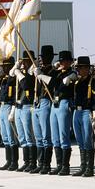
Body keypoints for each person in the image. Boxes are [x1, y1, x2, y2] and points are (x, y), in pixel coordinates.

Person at [71, 56, 95, 177]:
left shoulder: (93, 83)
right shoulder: (77, 82)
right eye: (77, 68)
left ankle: (89, 168)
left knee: (87, 140)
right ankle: (82, 166)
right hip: (76, 112)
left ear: (87, 68)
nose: (78, 70)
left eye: (81, 68)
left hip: (86, 112)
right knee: (80, 140)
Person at [32, 45, 57, 174]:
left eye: (45, 57)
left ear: (51, 57)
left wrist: (41, 75)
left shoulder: (53, 71)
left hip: (46, 101)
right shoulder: (38, 70)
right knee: (38, 136)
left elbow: (53, 83)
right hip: (37, 102)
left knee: (46, 135)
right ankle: (40, 162)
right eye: (41, 57)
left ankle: (46, 164)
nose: (42, 59)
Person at [11, 51, 36, 172]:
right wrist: (15, 68)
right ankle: (26, 162)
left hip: (27, 106)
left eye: (26, 61)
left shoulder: (33, 72)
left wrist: (18, 73)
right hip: (19, 106)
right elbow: (11, 76)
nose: (24, 63)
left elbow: (26, 84)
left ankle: (32, 162)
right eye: (23, 61)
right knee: (21, 136)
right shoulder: (22, 72)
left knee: (29, 135)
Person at [0, 57, 18, 170]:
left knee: (11, 137)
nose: (4, 68)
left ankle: (14, 162)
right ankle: (8, 161)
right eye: (3, 66)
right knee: (5, 136)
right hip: (3, 106)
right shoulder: (4, 78)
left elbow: (15, 95)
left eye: (6, 66)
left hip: (10, 106)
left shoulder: (13, 79)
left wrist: (14, 109)